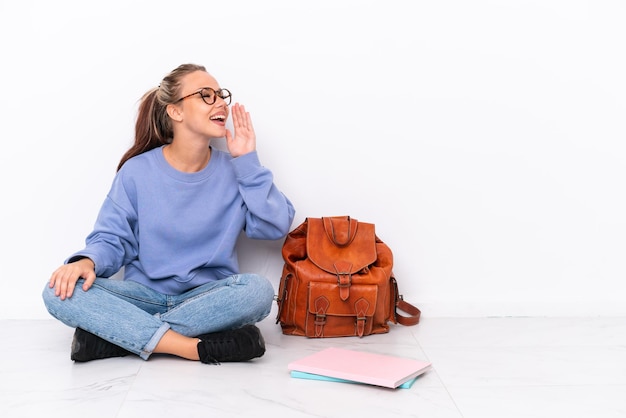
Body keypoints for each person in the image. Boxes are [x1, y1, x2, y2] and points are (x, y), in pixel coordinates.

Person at [42, 63, 295, 364]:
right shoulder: (137, 172)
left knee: (258, 291)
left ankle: (118, 338)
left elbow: (275, 226)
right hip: (142, 298)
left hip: (207, 299)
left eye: (220, 95)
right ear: (175, 111)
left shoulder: (236, 170)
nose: (220, 103)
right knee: (57, 290)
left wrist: (248, 163)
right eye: (206, 95)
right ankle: (190, 347)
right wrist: (87, 260)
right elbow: (112, 237)